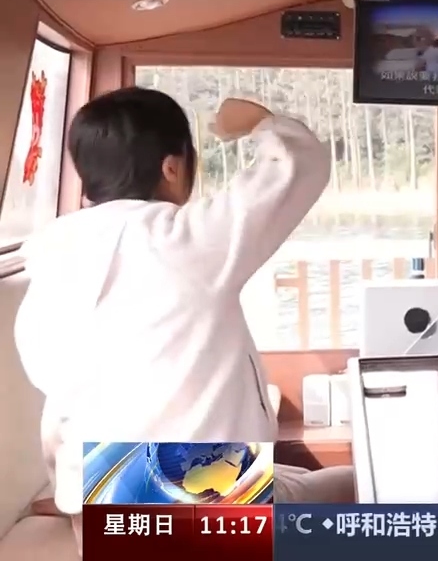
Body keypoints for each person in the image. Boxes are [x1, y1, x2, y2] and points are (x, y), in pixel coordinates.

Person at [13, 88, 355, 551]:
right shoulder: (182, 240)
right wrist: (262, 123)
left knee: (312, 480)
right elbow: (299, 165)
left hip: (100, 497)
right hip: (194, 503)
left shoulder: (51, 258)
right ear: (172, 168)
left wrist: (74, 492)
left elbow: (64, 399)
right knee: (365, 487)